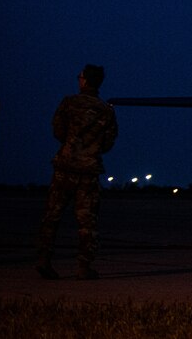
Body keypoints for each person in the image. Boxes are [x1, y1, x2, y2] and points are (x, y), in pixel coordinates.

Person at [36, 64, 118, 280]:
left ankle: (44, 258)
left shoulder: (69, 103)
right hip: (88, 171)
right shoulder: (106, 110)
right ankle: (83, 266)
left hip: (65, 167)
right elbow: (108, 143)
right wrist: (90, 149)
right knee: (87, 220)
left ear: (84, 80)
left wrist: (72, 145)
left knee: (52, 215)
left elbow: (58, 131)